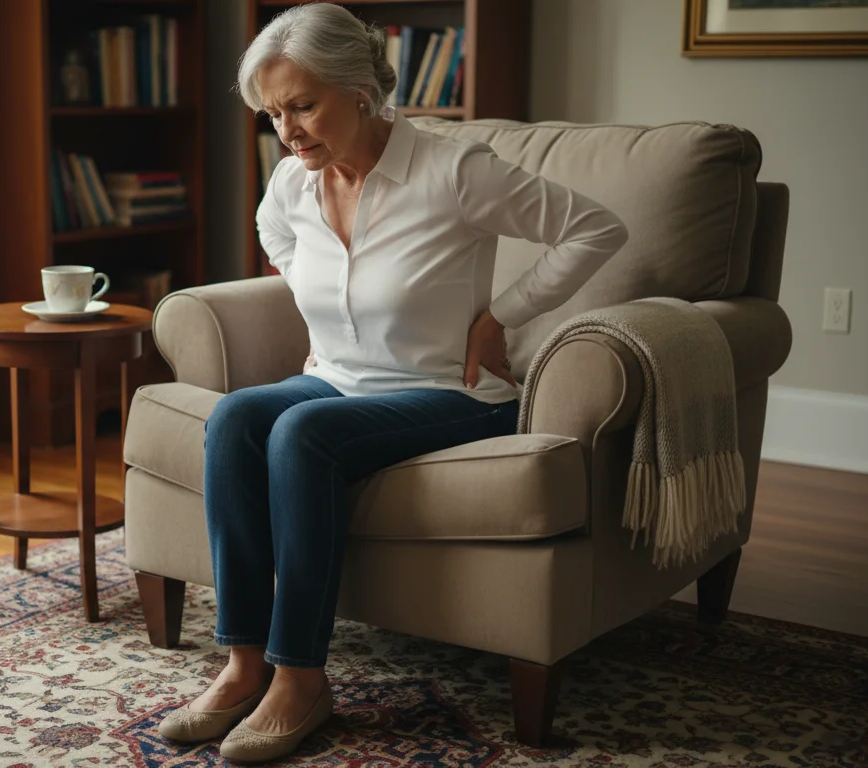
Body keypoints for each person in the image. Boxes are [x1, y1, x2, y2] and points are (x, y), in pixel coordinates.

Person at [159, 3, 628, 762]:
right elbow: (272, 233)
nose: (288, 129)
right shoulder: (292, 184)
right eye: (274, 112)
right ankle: (245, 664)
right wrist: (312, 275)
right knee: (238, 418)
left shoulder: (455, 170)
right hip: (336, 381)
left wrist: (503, 313)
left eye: (303, 105)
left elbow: (596, 227)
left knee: (301, 433)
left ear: (361, 90)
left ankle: (301, 679)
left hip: (452, 393)